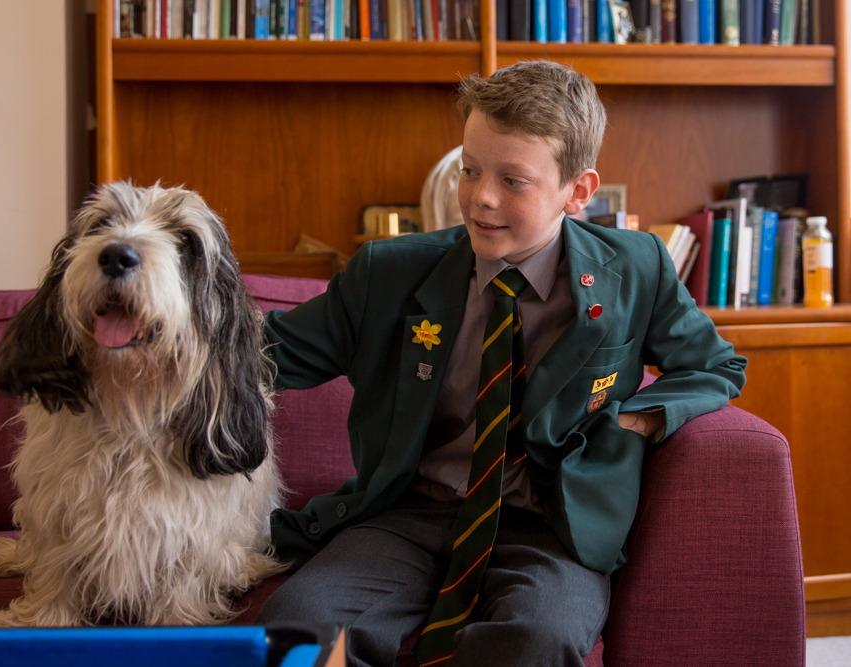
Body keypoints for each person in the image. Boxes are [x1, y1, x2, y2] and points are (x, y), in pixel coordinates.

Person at [255, 60, 746, 667]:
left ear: (579, 191)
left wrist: (640, 418)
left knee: (537, 642)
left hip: (548, 525)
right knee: (298, 631)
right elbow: (264, 355)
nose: (480, 197)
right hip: (409, 514)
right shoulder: (388, 272)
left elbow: (717, 368)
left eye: (514, 180)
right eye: (470, 169)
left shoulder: (636, 268)